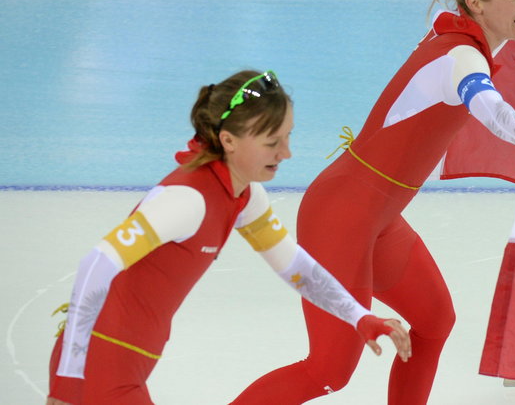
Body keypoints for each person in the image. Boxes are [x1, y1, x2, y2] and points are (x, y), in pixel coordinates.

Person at [230, 0, 515, 405]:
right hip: (341, 216)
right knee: (328, 371)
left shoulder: (463, 28)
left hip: (377, 219)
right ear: (477, 4)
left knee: (435, 320)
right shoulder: (462, 59)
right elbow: (490, 108)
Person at [45, 69, 409, 405]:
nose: (287, 153)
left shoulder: (243, 196)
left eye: (288, 137)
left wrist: (359, 316)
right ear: (228, 140)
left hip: (129, 358)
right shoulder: (187, 200)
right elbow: (97, 263)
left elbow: (294, 267)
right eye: (271, 143)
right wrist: (68, 378)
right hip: (98, 363)